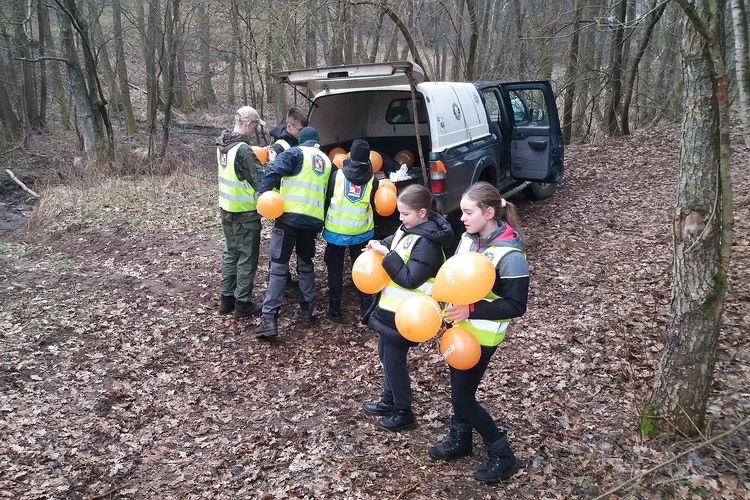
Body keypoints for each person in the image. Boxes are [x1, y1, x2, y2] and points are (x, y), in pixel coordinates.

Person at [428, 181, 528, 484]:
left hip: (482, 336)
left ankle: (502, 453)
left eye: (468, 212)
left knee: (462, 398)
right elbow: (456, 277)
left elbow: (516, 305)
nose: (462, 217)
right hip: (458, 330)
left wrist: (469, 311)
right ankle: (460, 440)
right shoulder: (468, 239)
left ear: (488, 212)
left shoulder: (510, 254)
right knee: (457, 389)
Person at [363, 184, 453, 431]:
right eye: (399, 213)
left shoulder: (428, 242)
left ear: (422, 213)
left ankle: (404, 413)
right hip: (392, 311)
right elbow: (394, 242)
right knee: (385, 354)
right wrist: (378, 243)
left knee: (393, 360)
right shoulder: (409, 228)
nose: (400, 218)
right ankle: (390, 400)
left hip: (409, 315)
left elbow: (410, 279)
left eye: (405, 213)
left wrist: (386, 254)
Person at [254, 127, 332, 339]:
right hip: (313, 221)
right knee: (305, 264)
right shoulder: (326, 161)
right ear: (316, 141)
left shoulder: (295, 153)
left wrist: (262, 193)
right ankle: (309, 311)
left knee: (278, 266)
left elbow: (274, 172)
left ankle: (269, 319)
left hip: (288, 219)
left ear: (301, 140)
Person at [215, 106, 268, 318]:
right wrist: (270, 161)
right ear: (247, 123)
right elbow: (260, 179)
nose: (255, 130)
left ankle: (226, 300)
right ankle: (242, 304)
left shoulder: (222, 145)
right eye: (255, 125)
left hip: (226, 209)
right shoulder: (243, 150)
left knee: (231, 253)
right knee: (247, 257)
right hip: (245, 213)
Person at [322, 139, 379, 324]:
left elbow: (327, 199)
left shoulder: (336, 176)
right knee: (363, 269)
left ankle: (334, 308)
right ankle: (365, 307)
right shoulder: (373, 180)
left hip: (335, 231)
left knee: (335, 269)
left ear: (350, 155)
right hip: (362, 232)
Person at [268, 107, 309, 297]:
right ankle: (280, 282)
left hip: (290, 203)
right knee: (280, 250)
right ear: (290, 126)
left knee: (284, 248)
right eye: (300, 129)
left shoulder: (293, 143)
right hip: (282, 202)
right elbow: (273, 172)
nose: (303, 133)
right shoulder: (282, 146)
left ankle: (284, 280)